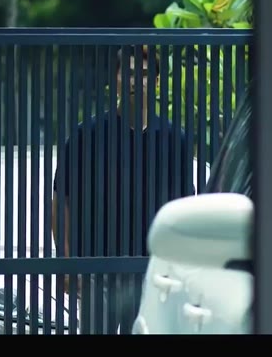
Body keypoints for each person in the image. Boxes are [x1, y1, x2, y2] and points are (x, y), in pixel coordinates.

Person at [50, 45, 196, 334]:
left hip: (150, 273)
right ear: (115, 79)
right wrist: (65, 261)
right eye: (128, 73)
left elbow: (184, 209)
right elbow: (60, 200)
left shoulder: (174, 140)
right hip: (97, 272)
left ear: (156, 82)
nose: (136, 80)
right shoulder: (86, 136)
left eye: (145, 74)